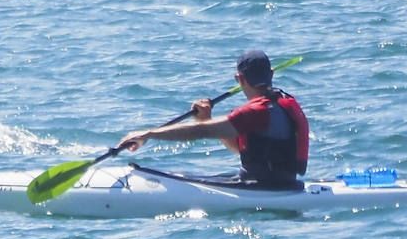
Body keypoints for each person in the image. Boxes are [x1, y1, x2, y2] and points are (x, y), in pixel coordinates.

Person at [121, 49, 309, 185]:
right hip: (277, 183)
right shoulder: (283, 102)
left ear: (240, 79)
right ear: (271, 74)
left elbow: (200, 132)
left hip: (264, 188)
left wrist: (149, 133)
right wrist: (206, 118)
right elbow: (240, 148)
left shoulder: (257, 112)